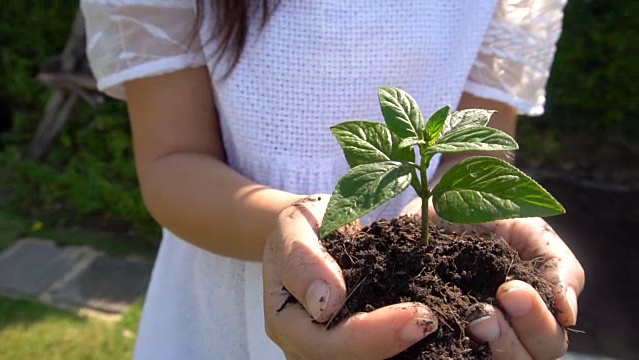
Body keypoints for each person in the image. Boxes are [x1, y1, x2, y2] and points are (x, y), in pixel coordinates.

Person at [81, 0, 585, 359]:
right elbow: (174, 159)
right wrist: (311, 234)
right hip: (230, 290)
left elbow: (475, 149)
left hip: (433, 293)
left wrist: (480, 214)